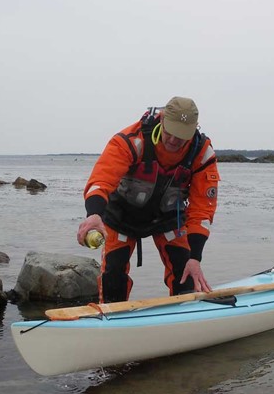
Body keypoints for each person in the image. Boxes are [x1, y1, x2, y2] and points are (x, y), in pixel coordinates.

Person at [77, 96, 220, 303]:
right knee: (113, 278)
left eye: (181, 137)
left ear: (194, 130)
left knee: (186, 275)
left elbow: (201, 211)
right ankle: (113, 322)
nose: (173, 140)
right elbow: (101, 180)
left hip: (169, 218)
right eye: (169, 133)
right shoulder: (130, 140)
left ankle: (184, 320)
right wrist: (94, 214)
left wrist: (195, 257)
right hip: (121, 218)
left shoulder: (202, 154)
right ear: (161, 120)